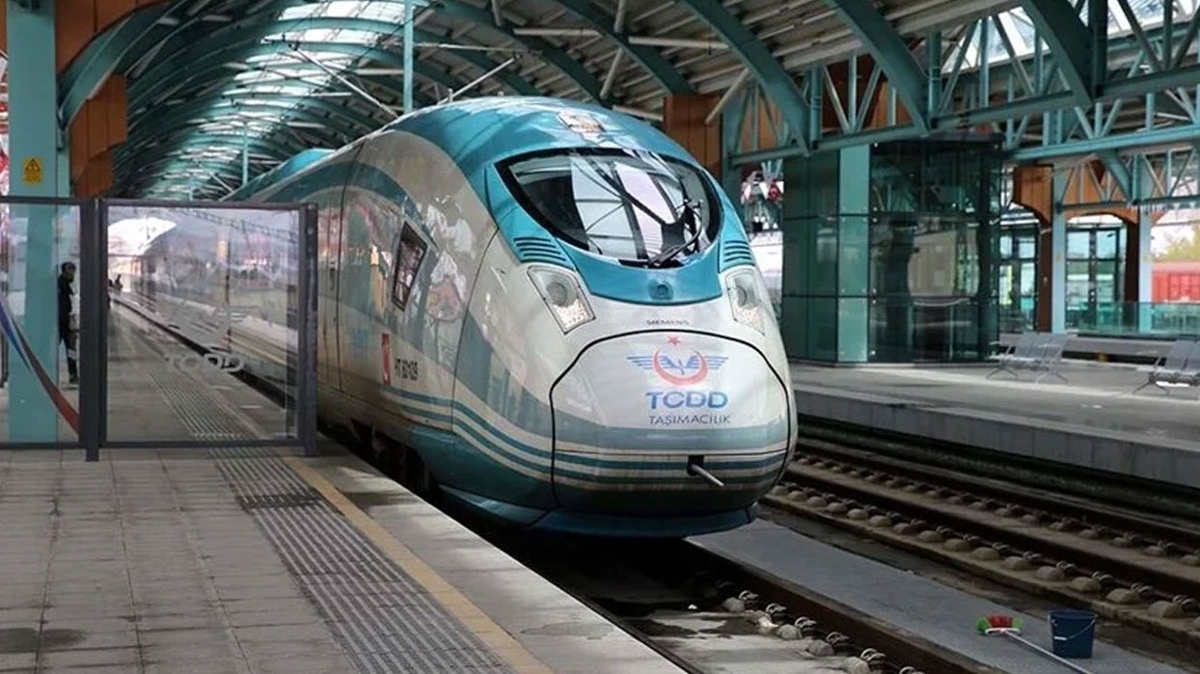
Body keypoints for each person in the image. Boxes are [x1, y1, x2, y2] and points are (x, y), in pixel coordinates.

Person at [58, 261, 78, 385]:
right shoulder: (62, 285)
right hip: (64, 324)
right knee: (70, 350)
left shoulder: (66, 284)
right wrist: (69, 322)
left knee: (71, 350)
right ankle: (73, 375)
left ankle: (73, 375)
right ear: (66, 272)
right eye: (71, 272)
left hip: (65, 323)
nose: (73, 275)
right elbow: (64, 306)